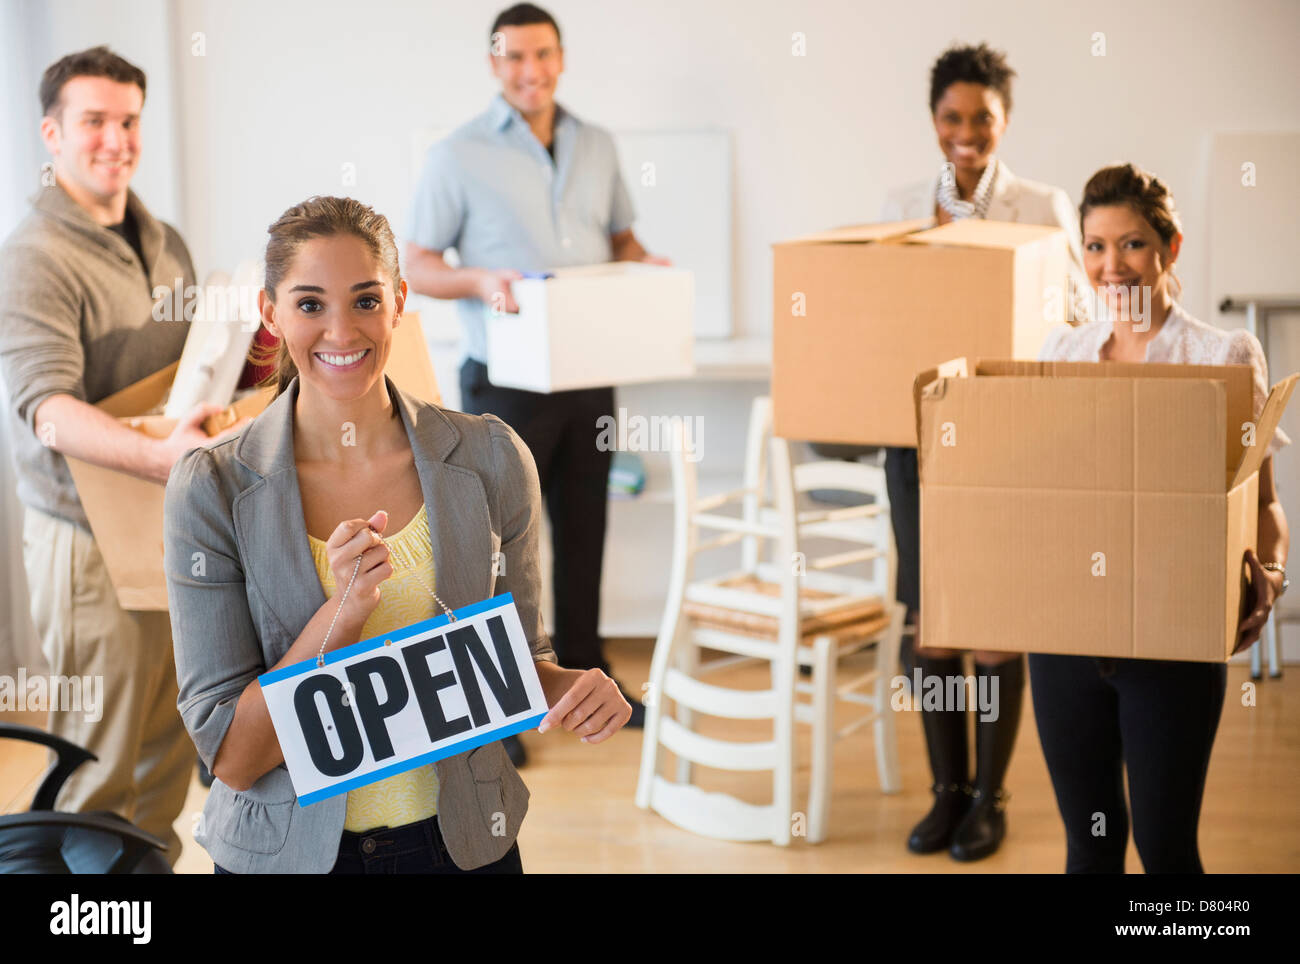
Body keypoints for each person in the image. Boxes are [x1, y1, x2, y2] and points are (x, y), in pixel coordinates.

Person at [163, 196, 632, 874]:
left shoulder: (492, 457)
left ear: (399, 301)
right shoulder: (212, 487)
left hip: (460, 844)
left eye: (364, 300)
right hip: (290, 858)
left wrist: (570, 690)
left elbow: (517, 664)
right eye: (309, 304)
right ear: (270, 314)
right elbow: (234, 755)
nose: (340, 331)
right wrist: (343, 613)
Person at [0, 46, 246, 865]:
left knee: (167, 749)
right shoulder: (35, 255)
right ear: (52, 133)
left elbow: (179, 377)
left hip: (162, 526)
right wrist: (167, 461)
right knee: (96, 773)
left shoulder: (161, 237)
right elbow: (50, 413)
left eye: (130, 120)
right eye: (94, 121)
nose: (117, 139)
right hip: (85, 541)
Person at [404, 4, 666, 756]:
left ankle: (591, 678)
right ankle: (499, 704)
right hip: (504, 381)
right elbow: (418, 263)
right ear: (494, 64)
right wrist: (482, 278)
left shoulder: (599, 144)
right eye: (514, 57)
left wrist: (643, 266)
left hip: (590, 375)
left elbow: (620, 238)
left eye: (542, 55)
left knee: (587, 530)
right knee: (495, 547)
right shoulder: (457, 154)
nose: (530, 70)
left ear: (561, 57)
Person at [1031, 163, 1288, 873]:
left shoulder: (1223, 355)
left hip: (1170, 640)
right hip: (1064, 639)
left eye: (1133, 244)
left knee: (1166, 847)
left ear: (1171, 249)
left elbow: (1262, 501)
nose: (1111, 266)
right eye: (1094, 246)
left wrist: (1270, 574)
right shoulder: (1062, 351)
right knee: (1090, 842)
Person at [886, 43, 1089, 861]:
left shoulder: (1043, 206)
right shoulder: (901, 204)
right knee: (932, 620)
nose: (965, 135)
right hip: (920, 441)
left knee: (996, 622)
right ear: (933, 120)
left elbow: (1076, 316)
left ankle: (990, 798)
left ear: (1005, 122)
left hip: (1008, 439)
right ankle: (947, 791)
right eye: (951, 119)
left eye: (982, 120)